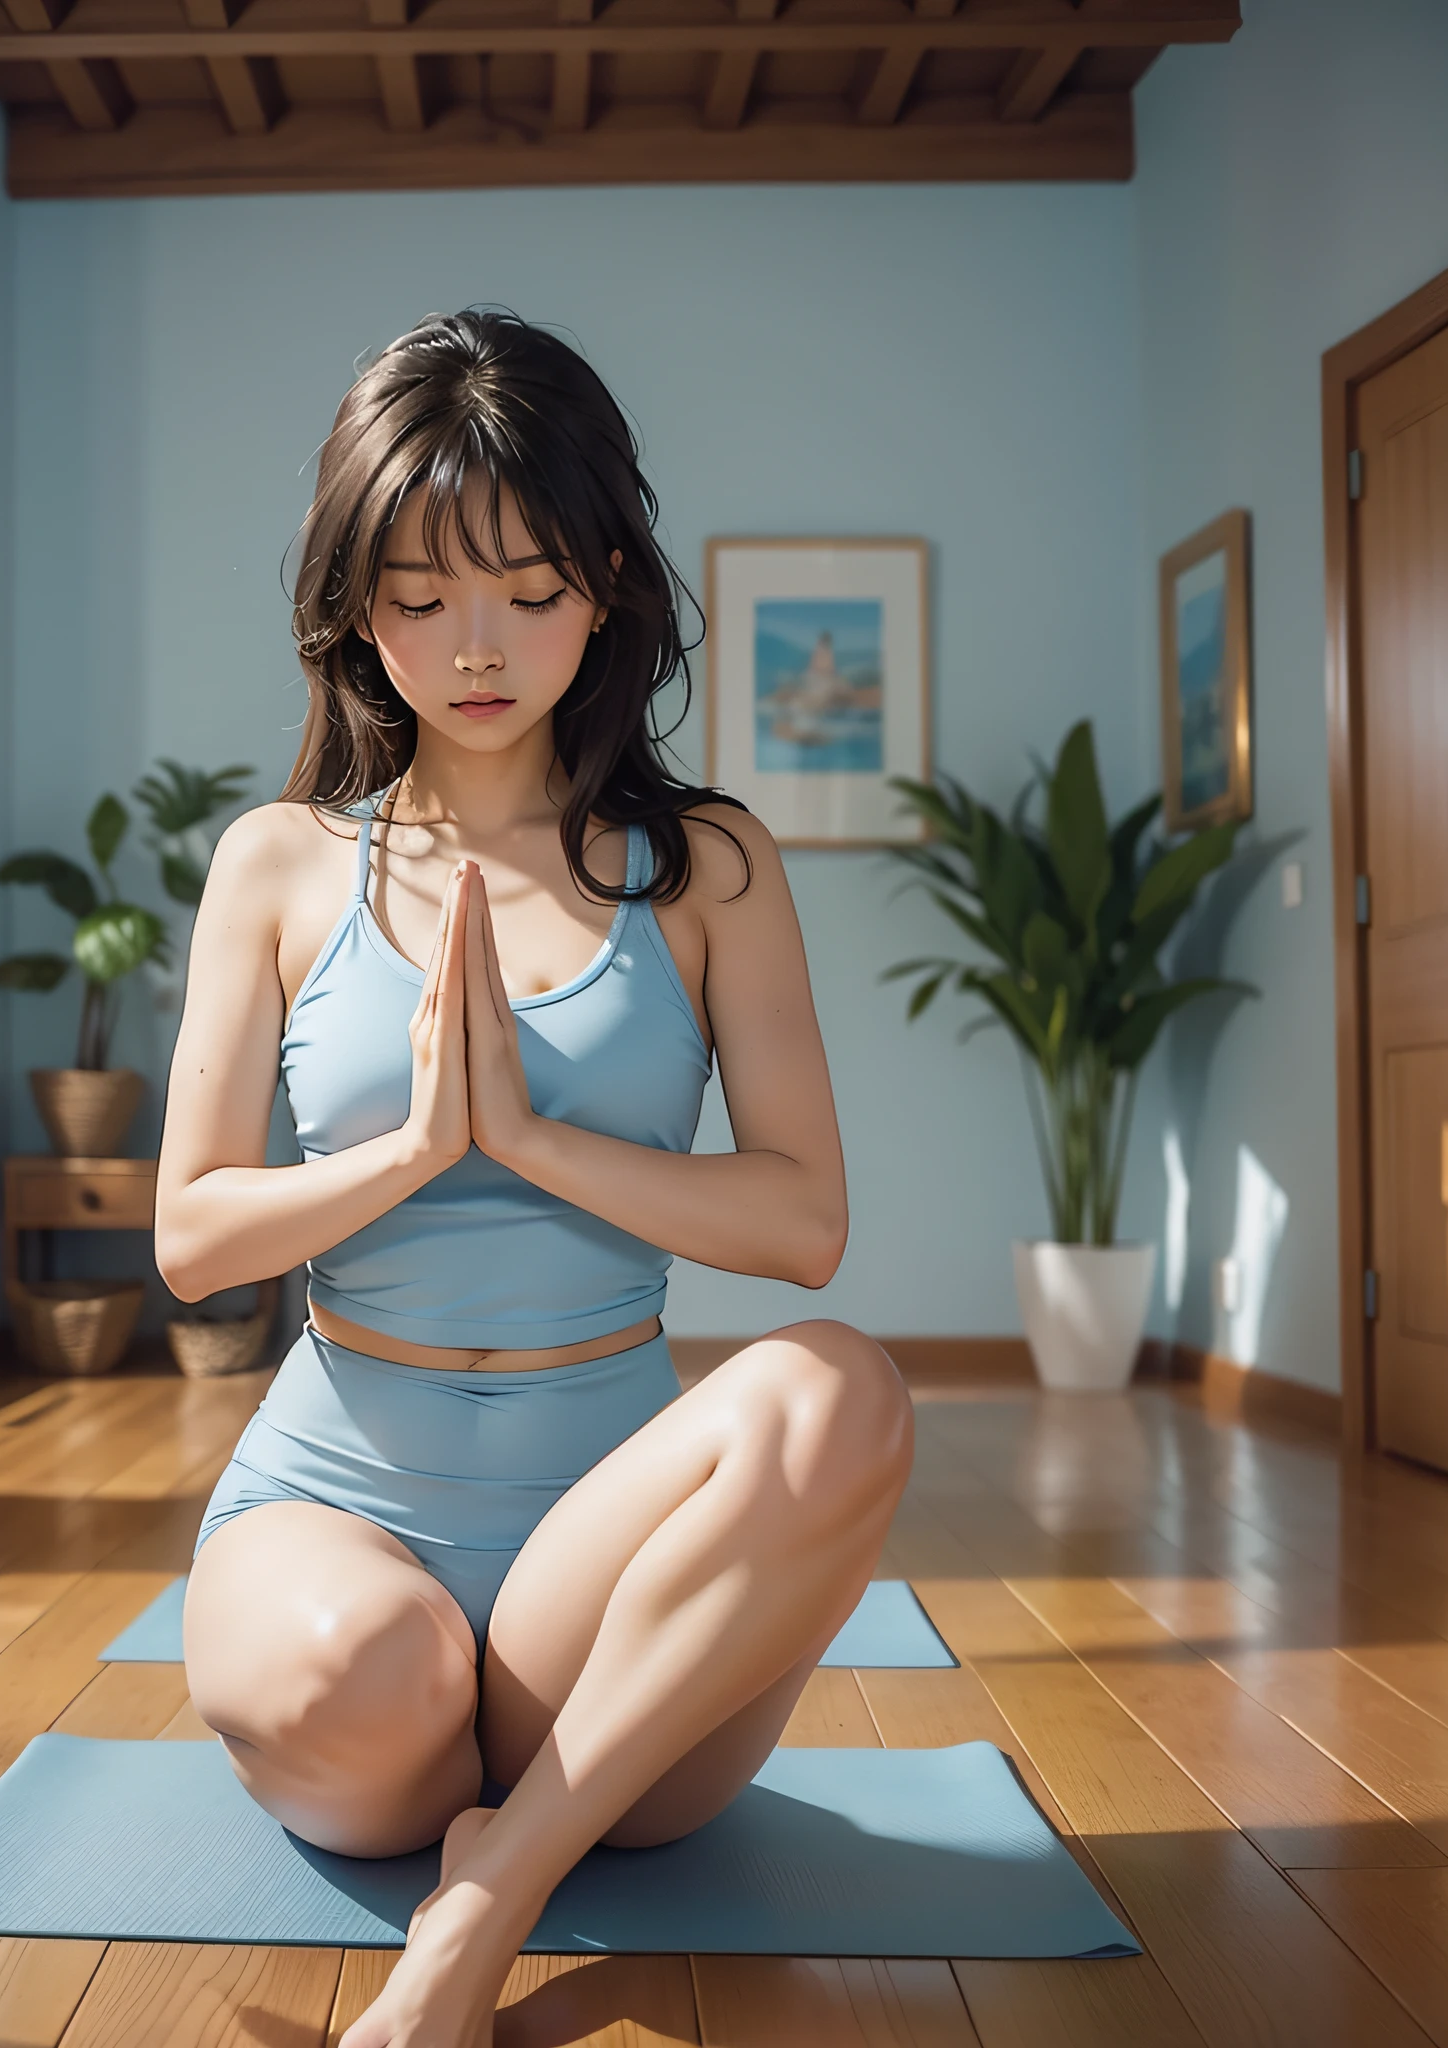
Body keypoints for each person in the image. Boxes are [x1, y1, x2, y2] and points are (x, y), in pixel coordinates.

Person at [154, 310, 914, 2048]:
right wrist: (416, 1152)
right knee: (377, 1668)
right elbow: (192, 1237)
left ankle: (492, 1889)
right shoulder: (279, 865)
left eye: (528, 588)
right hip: (339, 1510)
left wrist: (536, 1139)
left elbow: (804, 1223)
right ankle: (488, 1813)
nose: (476, 646)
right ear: (356, 607)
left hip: (611, 1578)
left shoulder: (704, 865)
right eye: (422, 599)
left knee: (846, 1391)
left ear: (611, 581)